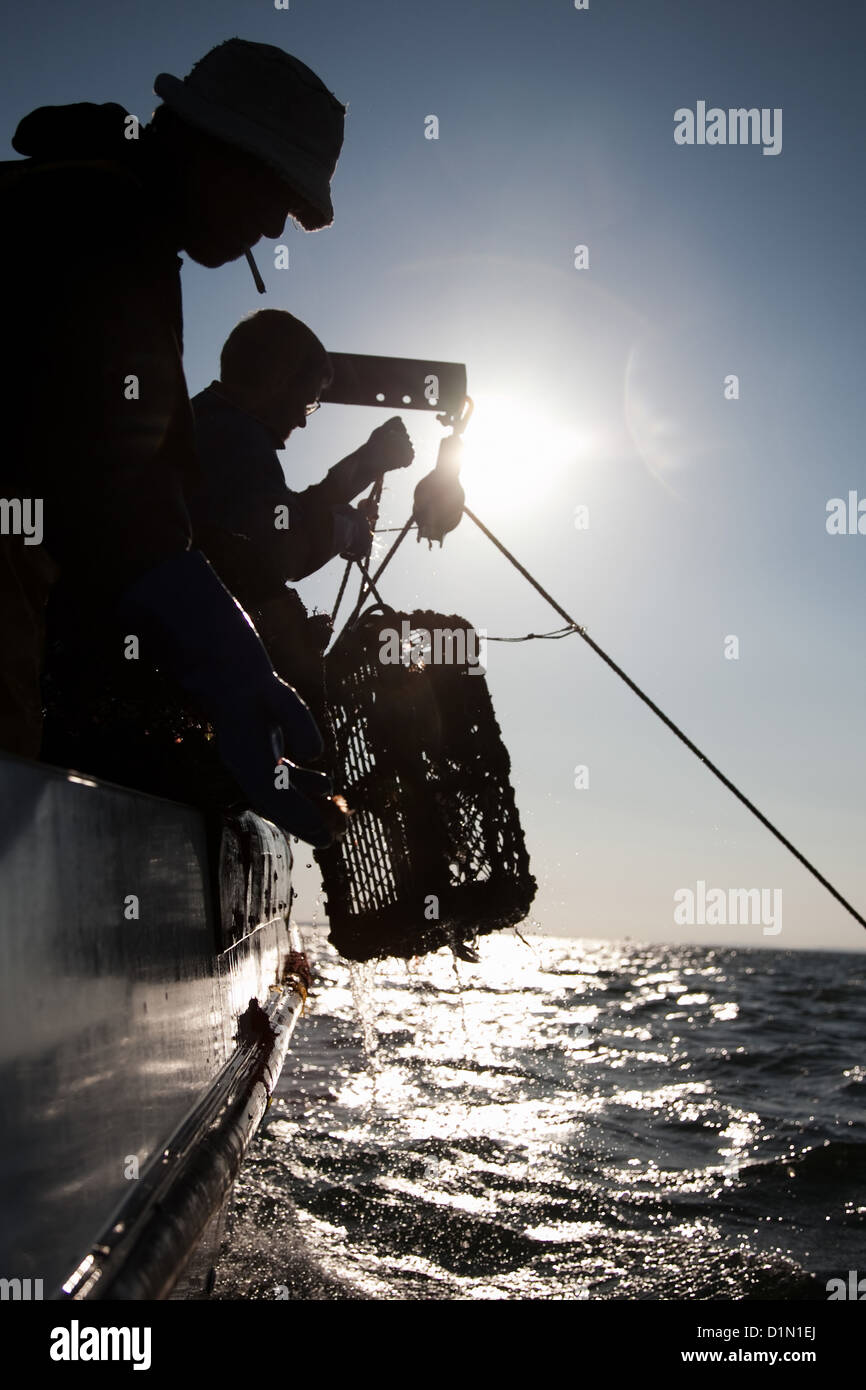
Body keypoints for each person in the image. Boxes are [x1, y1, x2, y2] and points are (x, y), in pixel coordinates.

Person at [1, 39, 347, 846]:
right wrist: (223, 651)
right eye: (274, 195)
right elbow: (113, 477)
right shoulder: (98, 222)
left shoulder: (95, 200)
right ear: (215, 147)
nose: (271, 225)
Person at [188, 309, 414, 706]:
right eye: (309, 401)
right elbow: (277, 547)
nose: (304, 421)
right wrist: (344, 527)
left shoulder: (213, 423)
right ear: (278, 380)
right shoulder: (232, 436)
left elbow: (280, 513)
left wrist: (366, 463)